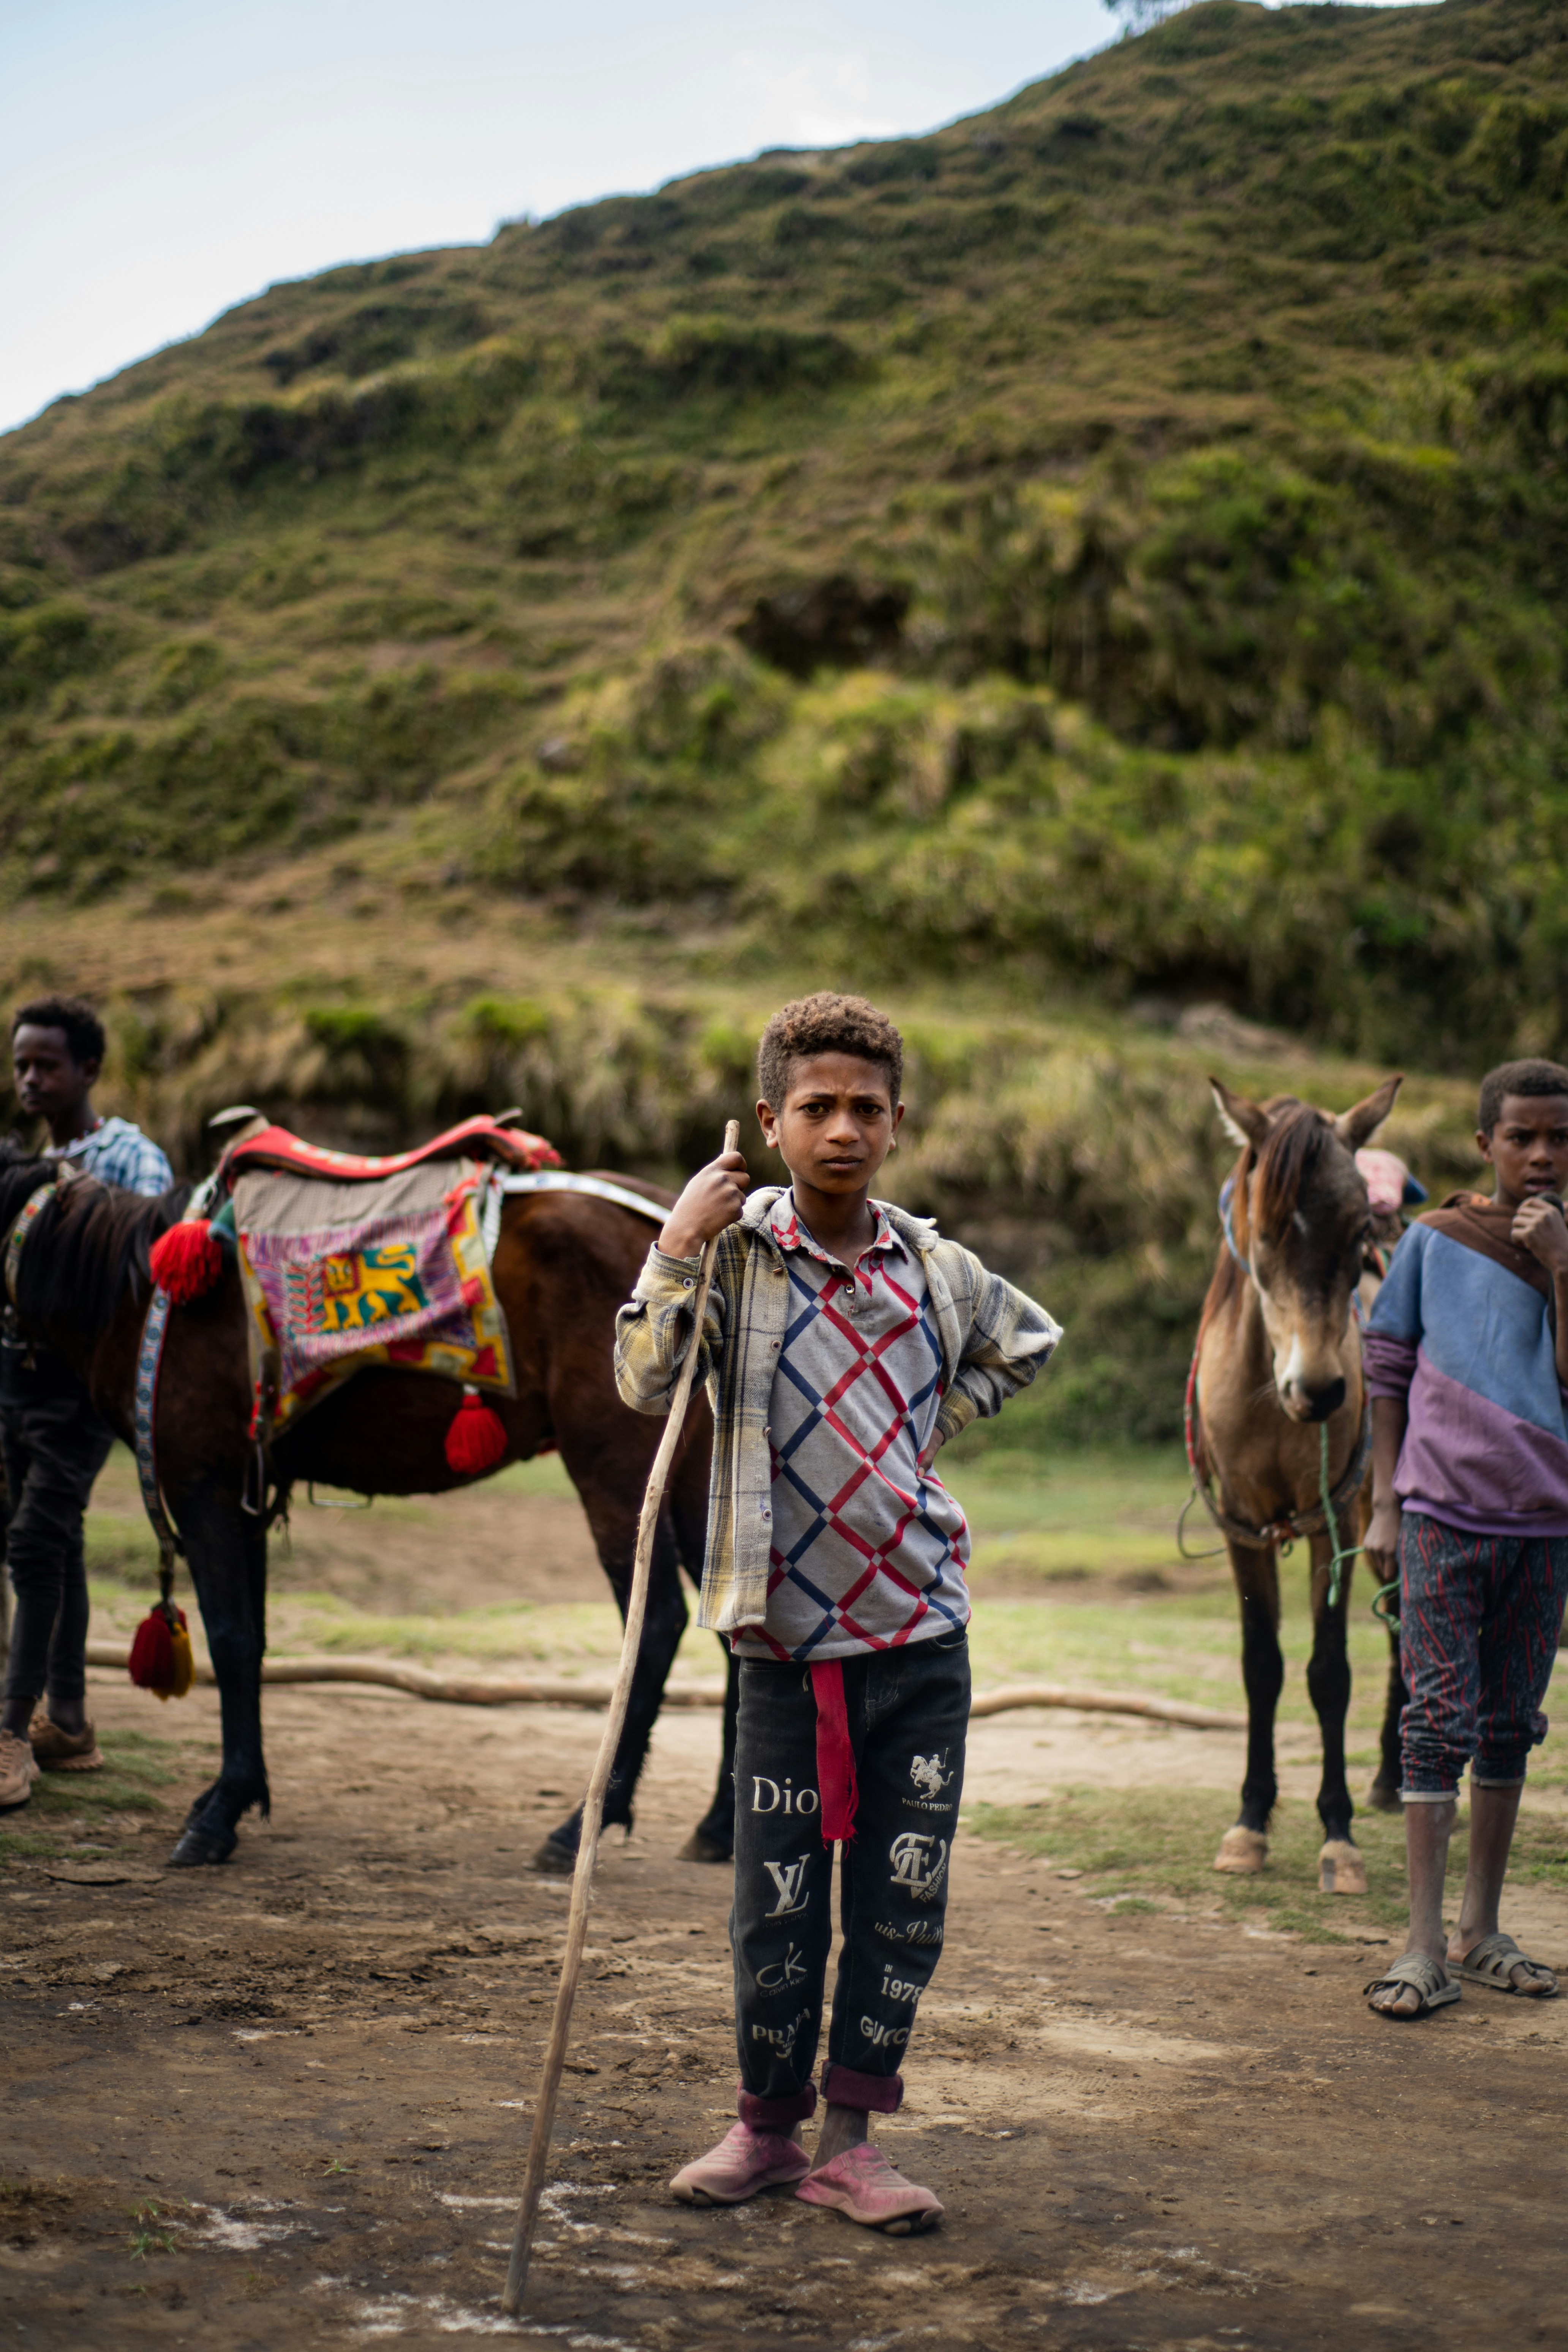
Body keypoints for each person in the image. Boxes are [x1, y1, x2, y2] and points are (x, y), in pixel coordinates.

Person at [615, 992, 1059, 2230]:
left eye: (866, 1108)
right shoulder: (738, 1260)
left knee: (897, 1897)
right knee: (775, 1904)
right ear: (769, 1120)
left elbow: (1025, 1343)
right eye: (815, 1107)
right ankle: (763, 2132)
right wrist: (672, 1246)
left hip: (917, 1632)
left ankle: (851, 2142)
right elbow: (642, 1379)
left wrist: (920, 1438)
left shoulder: (935, 1268)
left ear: (896, 1123)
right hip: (782, 1643)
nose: (842, 1128)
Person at [1362, 1057, 1568, 2018]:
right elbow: (1388, 1369)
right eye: (1521, 1137)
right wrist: (1382, 1505)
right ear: (1485, 1144)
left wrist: (1562, 1265)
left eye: (1558, 1138)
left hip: (1544, 1525)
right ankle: (1421, 1945)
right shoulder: (1434, 1242)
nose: (1539, 1155)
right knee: (1434, 1717)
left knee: (1507, 1724)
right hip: (1441, 1516)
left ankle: (1483, 1932)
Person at [0, 997, 174, 1811]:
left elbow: (141, 1284)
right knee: (52, 1543)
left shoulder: (132, 1162)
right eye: (22, 1064)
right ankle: (66, 1722)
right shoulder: (27, 1163)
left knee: (35, 1541)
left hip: (77, 1390)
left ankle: (10, 1735)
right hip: (18, 1383)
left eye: (48, 1065)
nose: (32, 1078)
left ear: (89, 1071)